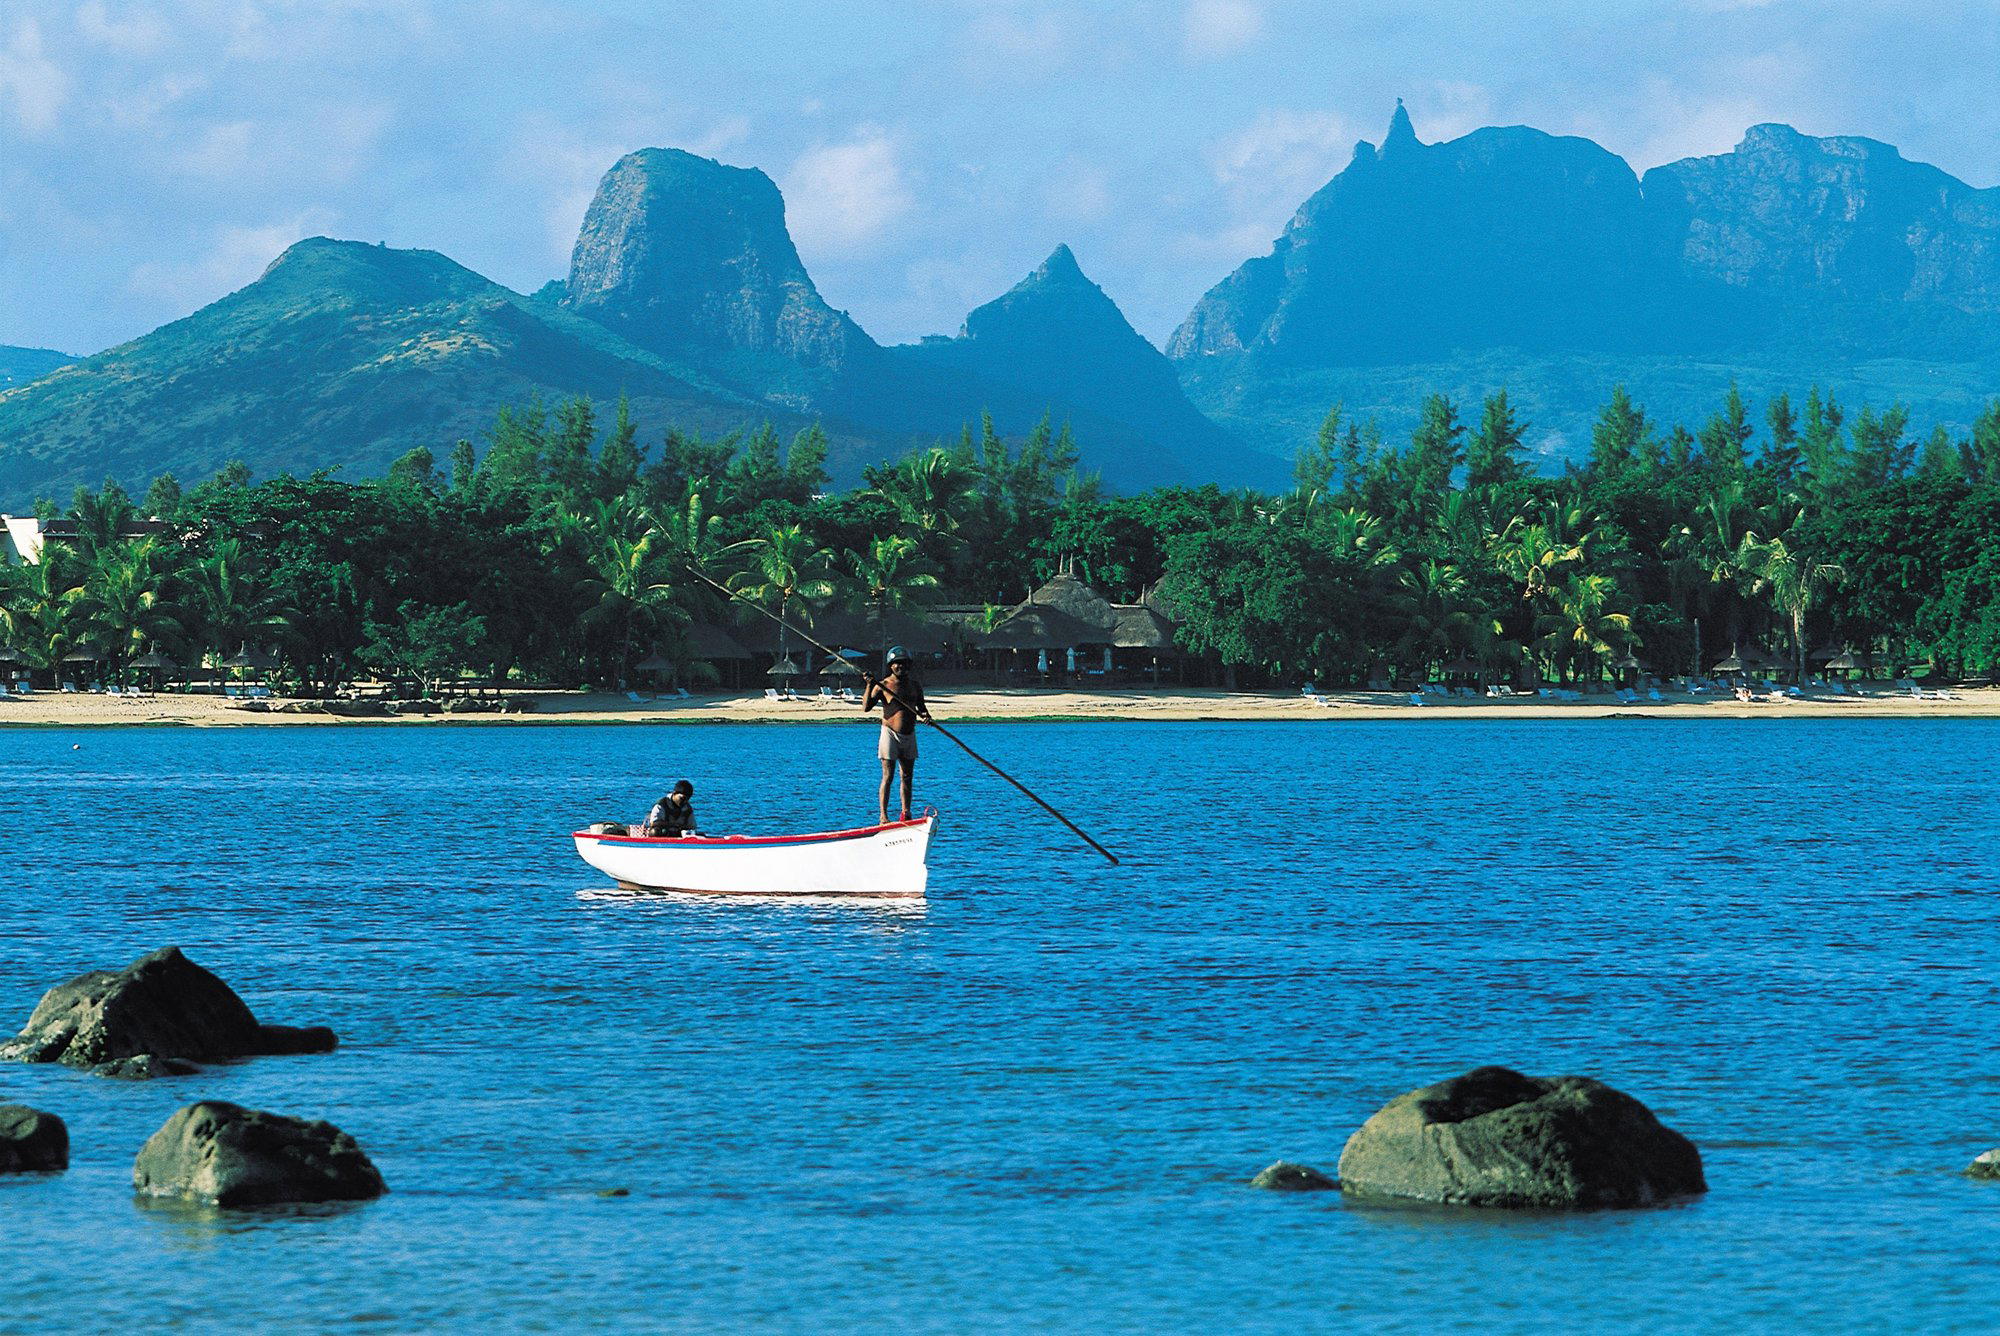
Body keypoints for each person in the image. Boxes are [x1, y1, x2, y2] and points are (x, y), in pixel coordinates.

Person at [862, 647, 930, 824]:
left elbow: (921, 708)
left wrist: (926, 716)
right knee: (888, 776)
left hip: (909, 734)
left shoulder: (915, 686)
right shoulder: (883, 685)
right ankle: (883, 816)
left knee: (907, 776)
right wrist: (869, 684)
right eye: (897, 664)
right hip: (889, 734)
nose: (901, 667)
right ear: (891, 666)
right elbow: (866, 707)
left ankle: (906, 813)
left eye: (905, 664)